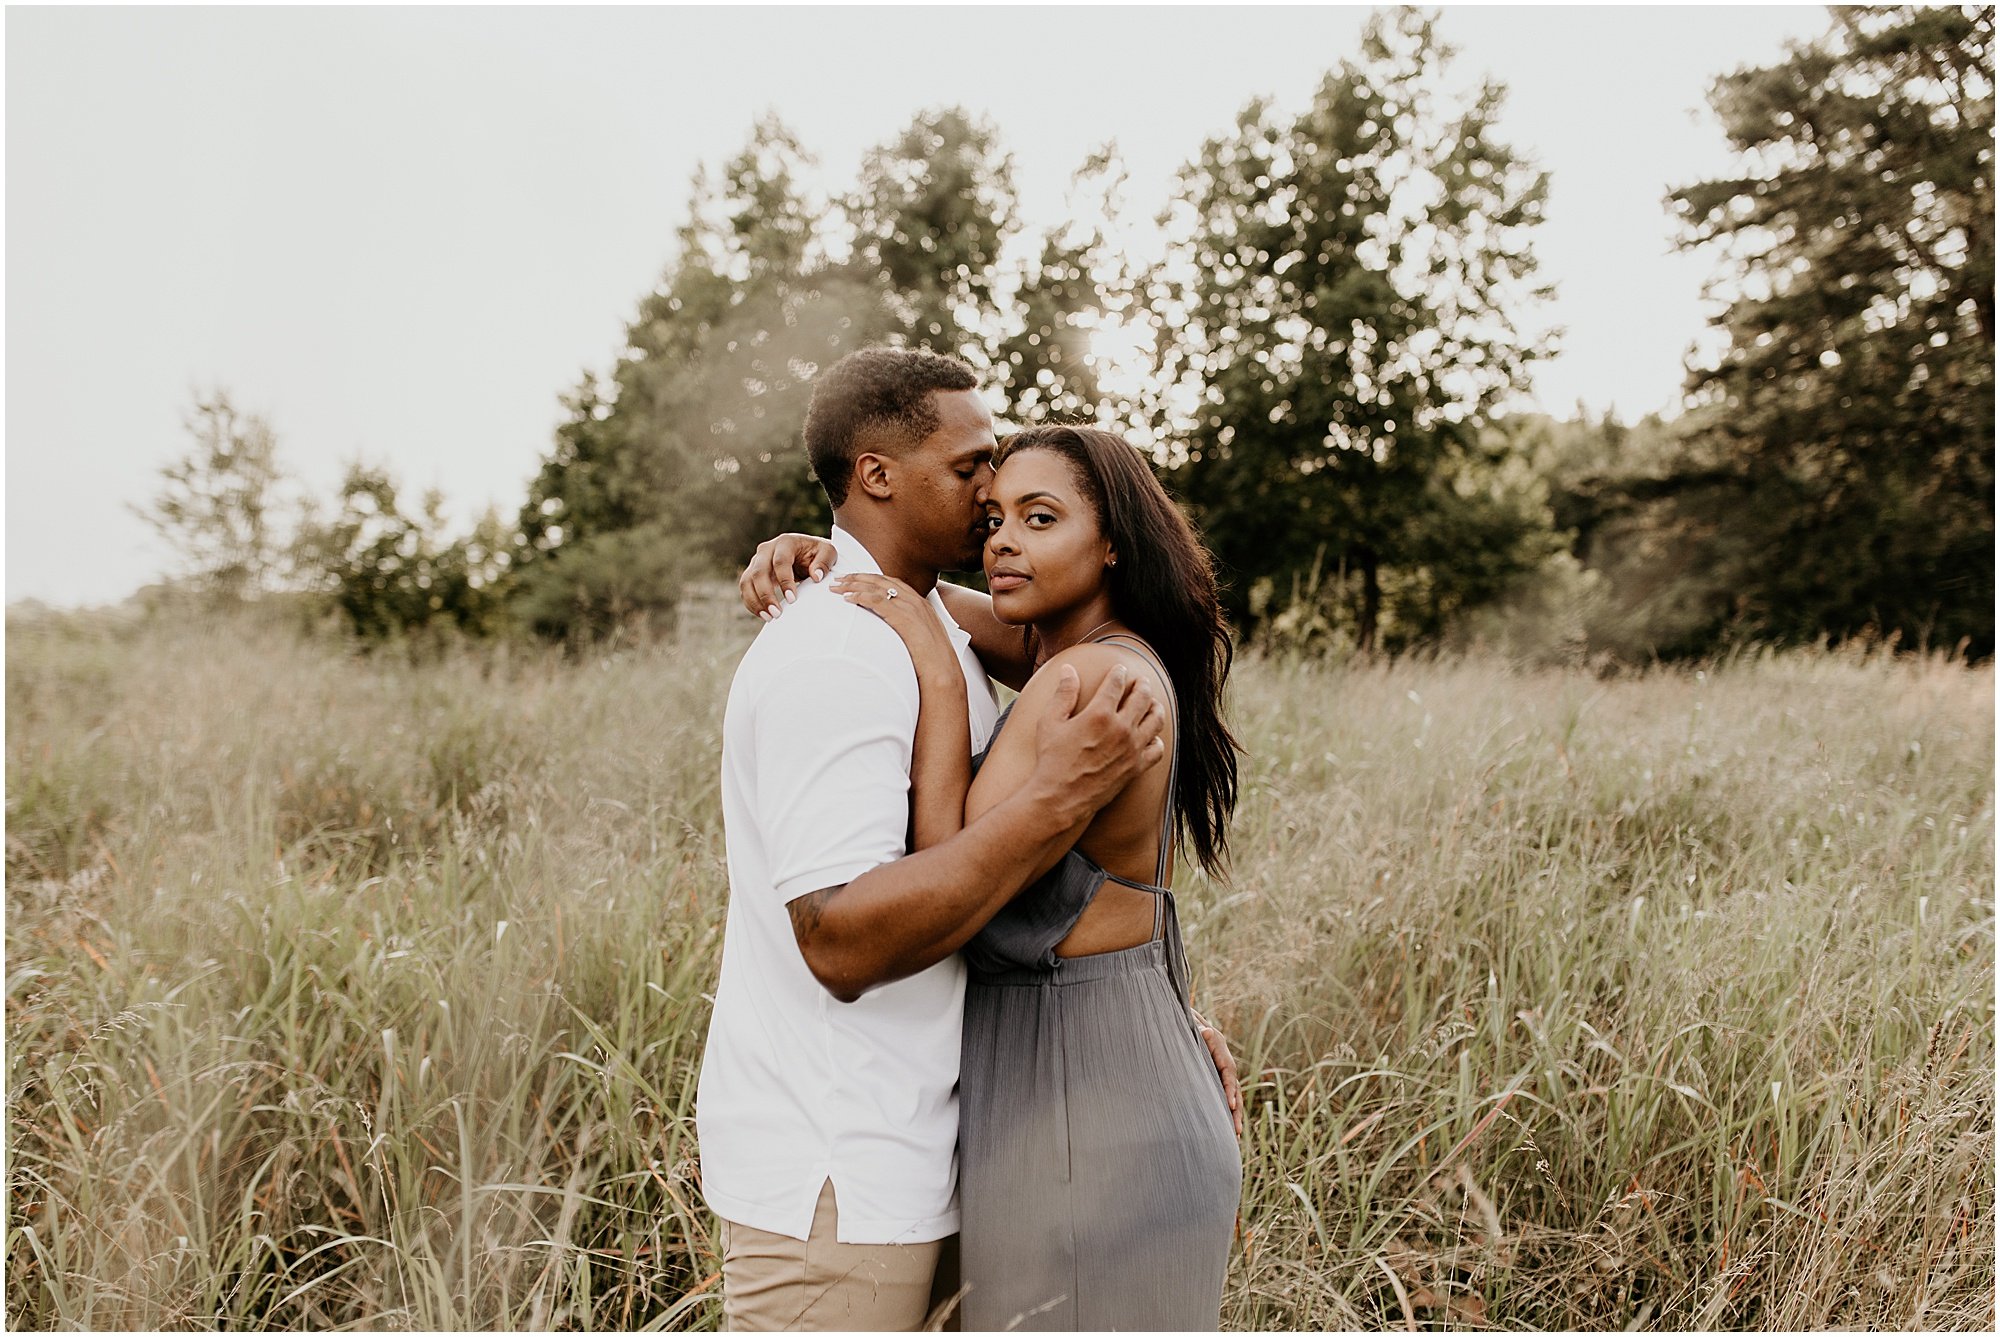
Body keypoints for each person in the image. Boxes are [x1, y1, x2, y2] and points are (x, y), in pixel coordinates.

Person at [696, 349, 1187, 1332]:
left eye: (1014, 494)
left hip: (934, 1151)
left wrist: (1157, 1016)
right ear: (877, 472)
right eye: (971, 470)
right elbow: (839, 939)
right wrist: (1050, 802)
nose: (988, 497)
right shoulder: (838, 648)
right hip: (837, 1173)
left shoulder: (937, 625)